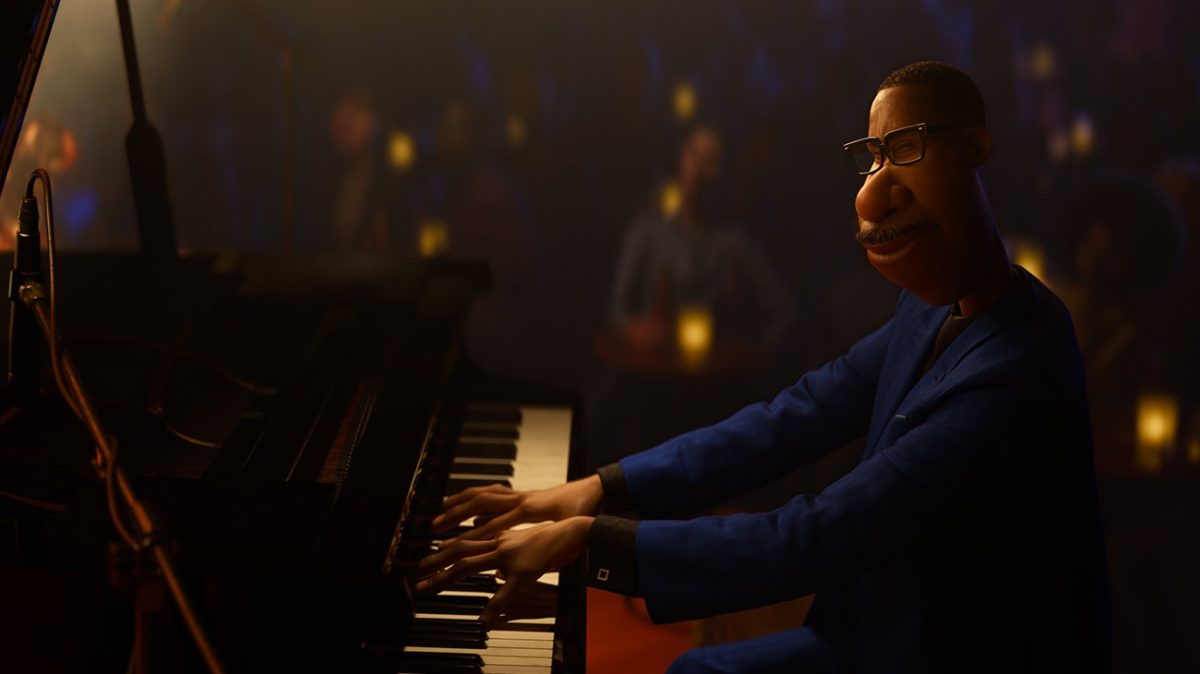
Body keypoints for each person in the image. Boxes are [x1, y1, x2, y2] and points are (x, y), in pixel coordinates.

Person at [417, 61, 1111, 673]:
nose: (877, 190)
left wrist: (593, 543)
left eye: (905, 147)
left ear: (973, 151)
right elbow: (798, 415)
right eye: (872, 156)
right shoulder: (931, 308)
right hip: (879, 636)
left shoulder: (1015, 370)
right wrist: (601, 489)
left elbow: (822, 532)